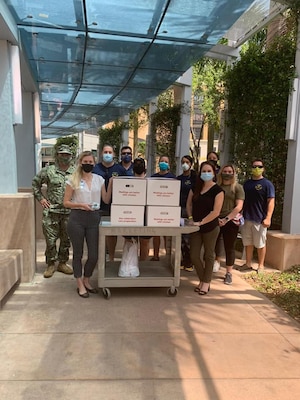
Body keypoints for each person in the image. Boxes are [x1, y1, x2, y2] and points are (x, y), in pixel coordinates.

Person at [63, 151, 112, 298]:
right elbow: (66, 202)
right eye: (86, 161)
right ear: (80, 162)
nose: (88, 164)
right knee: (78, 253)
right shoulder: (72, 179)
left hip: (94, 218)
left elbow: (106, 199)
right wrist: (81, 205)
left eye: (91, 162)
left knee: (94, 255)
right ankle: (79, 284)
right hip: (77, 218)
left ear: (94, 163)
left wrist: (112, 185)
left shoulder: (100, 179)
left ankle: (87, 279)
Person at [32, 144, 75, 278]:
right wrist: (41, 199)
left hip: (69, 213)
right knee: (50, 240)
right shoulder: (49, 170)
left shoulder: (75, 172)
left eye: (67, 155)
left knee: (66, 240)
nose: (64, 157)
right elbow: (35, 184)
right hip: (51, 212)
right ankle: (51, 264)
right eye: (62, 154)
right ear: (57, 155)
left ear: (71, 157)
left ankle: (62, 263)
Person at [186, 161, 224, 295]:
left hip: (211, 227)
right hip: (196, 227)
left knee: (209, 255)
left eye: (209, 171)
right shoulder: (195, 188)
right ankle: (203, 279)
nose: (206, 173)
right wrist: (191, 219)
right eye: (204, 171)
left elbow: (216, 212)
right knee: (194, 255)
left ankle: (205, 283)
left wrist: (201, 222)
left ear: (214, 173)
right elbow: (189, 205)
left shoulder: (218, 191)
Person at [238, 159, 275, 273]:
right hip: (246, 218)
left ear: (263, 169)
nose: (256, 169)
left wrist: (268, 217)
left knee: (260, 243)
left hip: (260, 219)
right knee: (248, 243)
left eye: (259, 166)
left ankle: (261, 265)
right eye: (254, 166)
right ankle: (248, 264)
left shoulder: (267, 184)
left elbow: (271, 201)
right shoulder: (247, 184)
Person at [93, 144, 127, 261]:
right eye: (105, 152)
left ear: (113, 154)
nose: (107, 154)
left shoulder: (120, 170)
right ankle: (100, 258)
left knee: (112, 234)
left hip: (114, 207)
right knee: (97, 234)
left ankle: (111, 257)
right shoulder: (95, 169)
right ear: (101, 154)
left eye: (110, 152)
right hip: (97, 206)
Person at [215, 164, 245, 284]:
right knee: (214, 245)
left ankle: (228, 273)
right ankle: (214, 264)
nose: (227, 173)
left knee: (229, 247)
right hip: (216, 219)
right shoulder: (216, 187)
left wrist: (226, 219)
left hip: (231, 221)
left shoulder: (237, 187)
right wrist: (217, 218)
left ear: (233, 173)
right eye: (225, 171)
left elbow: (239, 206)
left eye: (230, 171)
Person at [123, 157, 151, 260]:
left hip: (145, 216)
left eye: (141, 164)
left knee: (145, 242)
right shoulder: (128, 182)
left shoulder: (150, 182)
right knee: (129, 241)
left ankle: (144, 266)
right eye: (137, 164)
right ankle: (129, 265)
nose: (139, 166)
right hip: (131, 216)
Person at [150, 155, 177, 261]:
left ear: (169, 164)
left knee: (167, 234)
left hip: (168, 209)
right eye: (162, 161)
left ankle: (167, 255)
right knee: (156, 234)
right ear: (158, 163)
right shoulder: (153, 177)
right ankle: (155, 255)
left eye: (166, 161)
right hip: (155, 208)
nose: (163, 163)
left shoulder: (173, 178)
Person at [176, 155, 197, 272]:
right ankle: (180, 259)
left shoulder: (195, 178)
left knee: (188, 237)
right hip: (178, 210)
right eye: (183, 162)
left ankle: (188, 261)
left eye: (187, 162)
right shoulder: (178, 178)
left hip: (189, 210)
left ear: (191, 164)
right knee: (180, 237)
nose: (184, 164)